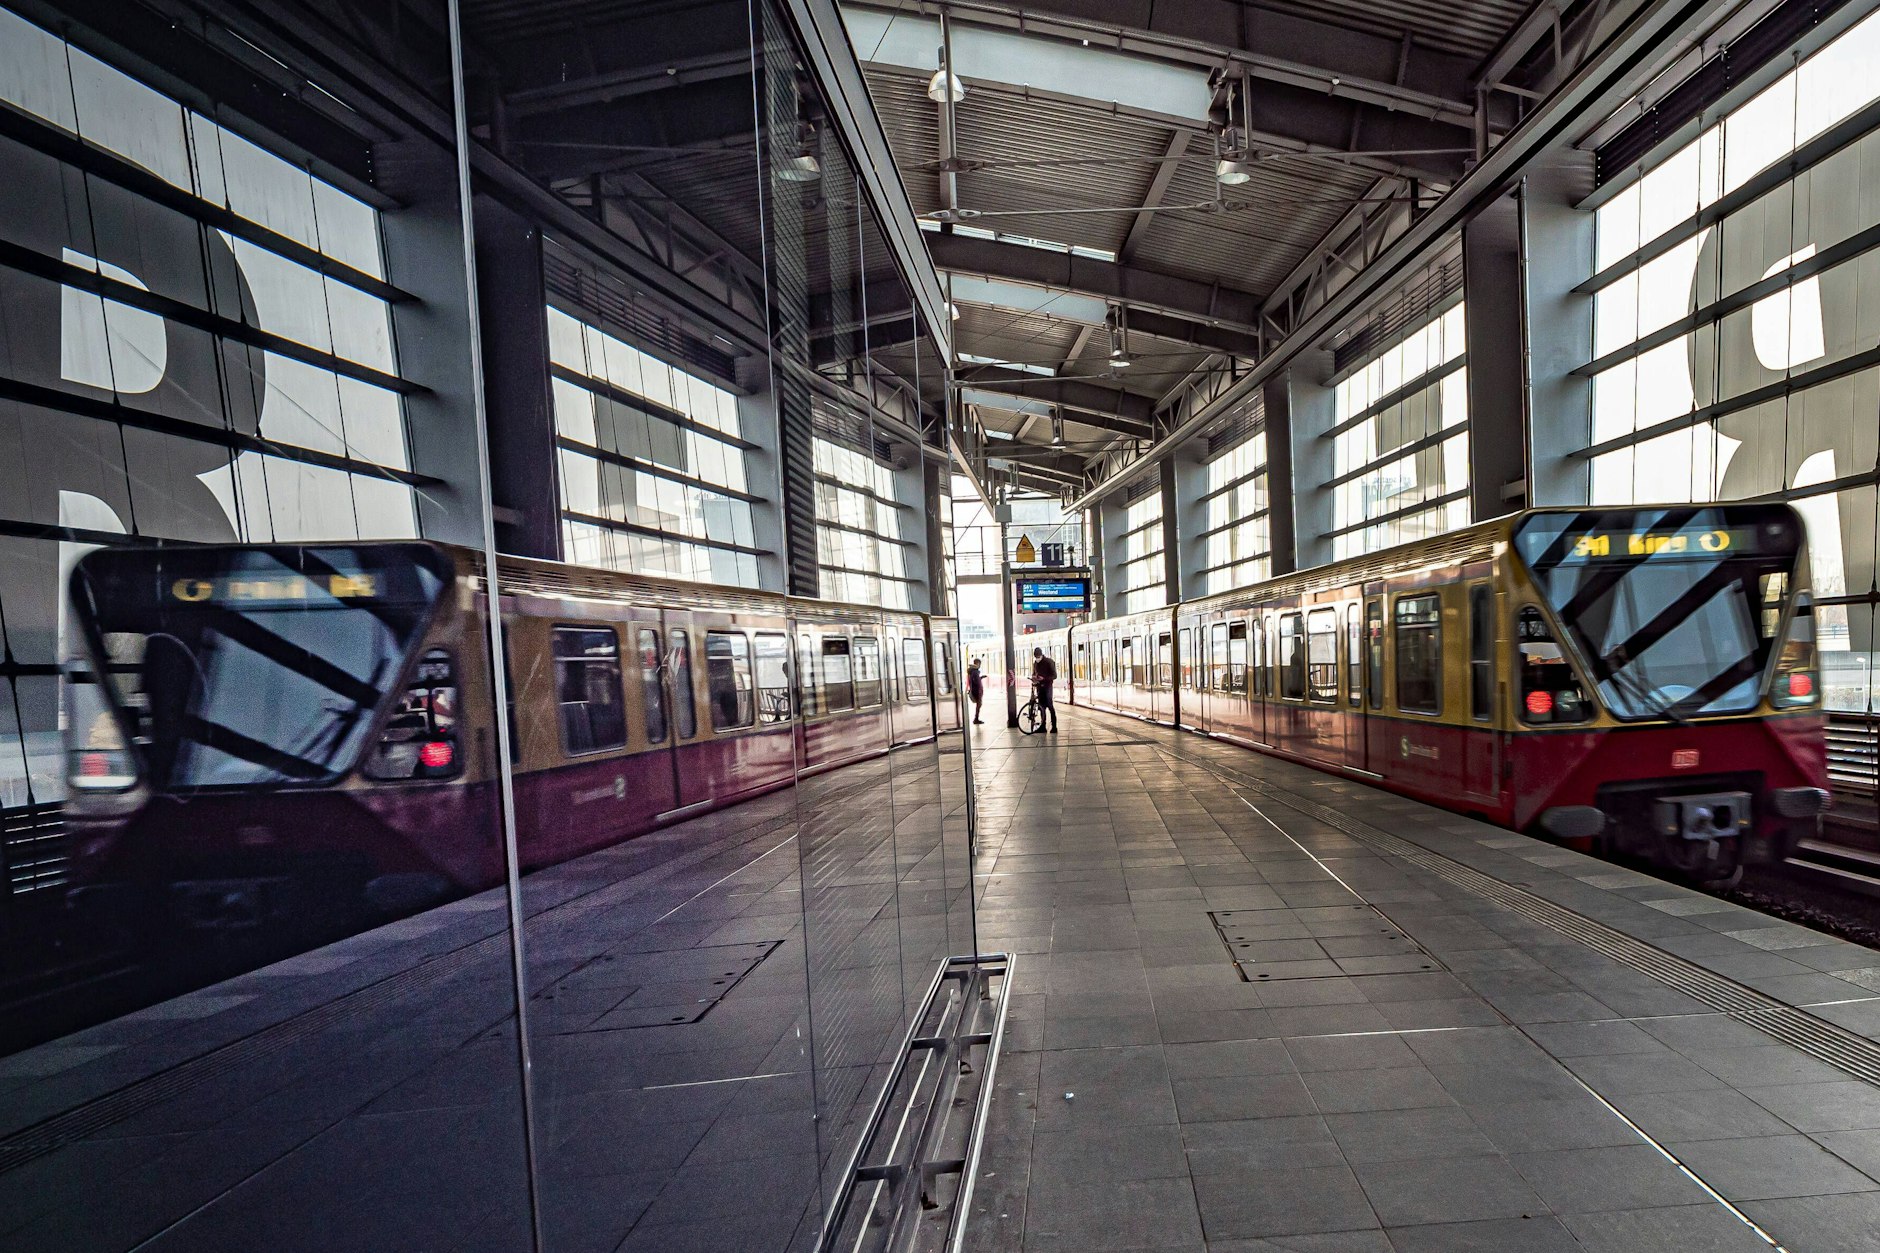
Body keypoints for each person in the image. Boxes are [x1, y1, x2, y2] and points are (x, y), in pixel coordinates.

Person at [1031, 647, 1059, 733]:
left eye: (1038, 657)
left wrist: (1044, 678)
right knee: (1041, 707)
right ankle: (1043, 727)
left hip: (1047, 687)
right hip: (1039, 688)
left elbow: (1054, 675)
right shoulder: (1035, 663)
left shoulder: (1049, 662)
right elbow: (1034, 673)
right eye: (1036, 657)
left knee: (1050, 706)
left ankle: (1054, 727)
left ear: (1041, 655)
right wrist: (1034, 678)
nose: (1037, 659)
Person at [966, 658, 985, 725]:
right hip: (977, 690)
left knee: (979, 704)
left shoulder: (972, 671)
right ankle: (976, 719)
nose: (980, 665)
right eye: (979, 664)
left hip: (975, 690)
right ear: (977, 663)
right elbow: (976, 681)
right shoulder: (975, 671)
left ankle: (976, 718)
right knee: (979, 704)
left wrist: (981, 678)